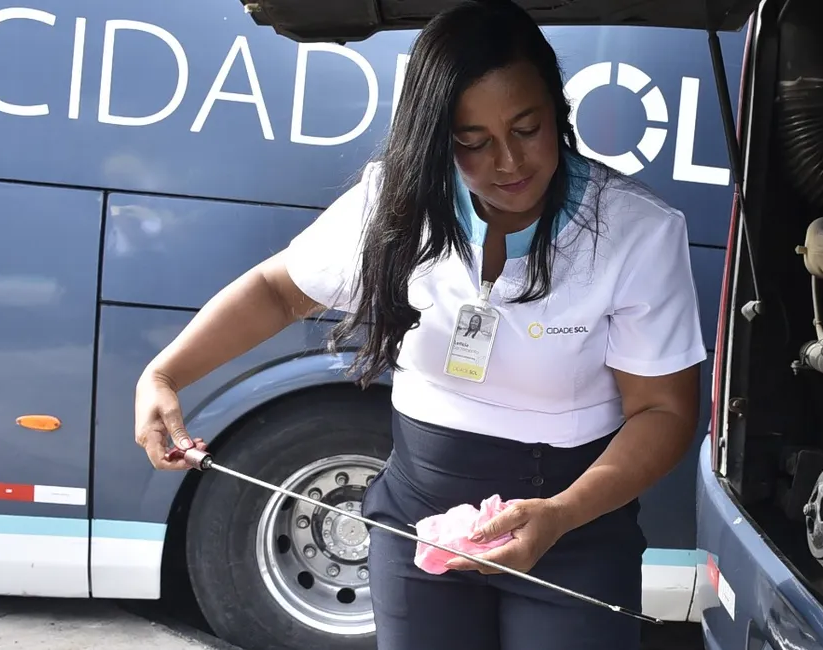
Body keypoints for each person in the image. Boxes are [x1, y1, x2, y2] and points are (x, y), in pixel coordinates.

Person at [130, 1, 705, 649]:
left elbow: (663, 410)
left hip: (571, 528)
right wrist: (165, 374)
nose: (509, 162)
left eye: (528, 128)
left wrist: (562, 513)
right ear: (435, 137)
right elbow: (276, 292)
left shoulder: (635, 230)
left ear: (558, 112)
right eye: (472, 142)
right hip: (417, 516)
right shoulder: (397, 202)